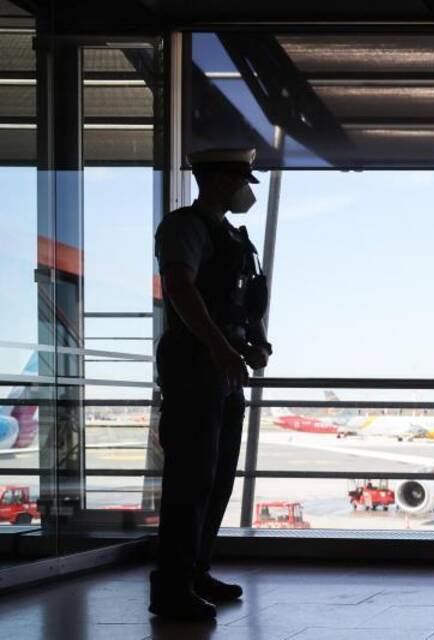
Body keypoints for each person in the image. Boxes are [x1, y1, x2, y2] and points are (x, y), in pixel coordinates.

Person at [150, 148, 273, 621]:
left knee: (217, 476)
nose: (247, 192)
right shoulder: (186, 227)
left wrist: (254, 342)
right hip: (195, 364)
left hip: (223, 369)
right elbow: (181, 289)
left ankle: (195, 572)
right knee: (191, 478)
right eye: (243, 181)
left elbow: (244, 303)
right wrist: (221, 347)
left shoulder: (234, 239)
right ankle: (172, 587)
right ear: (220, 181)